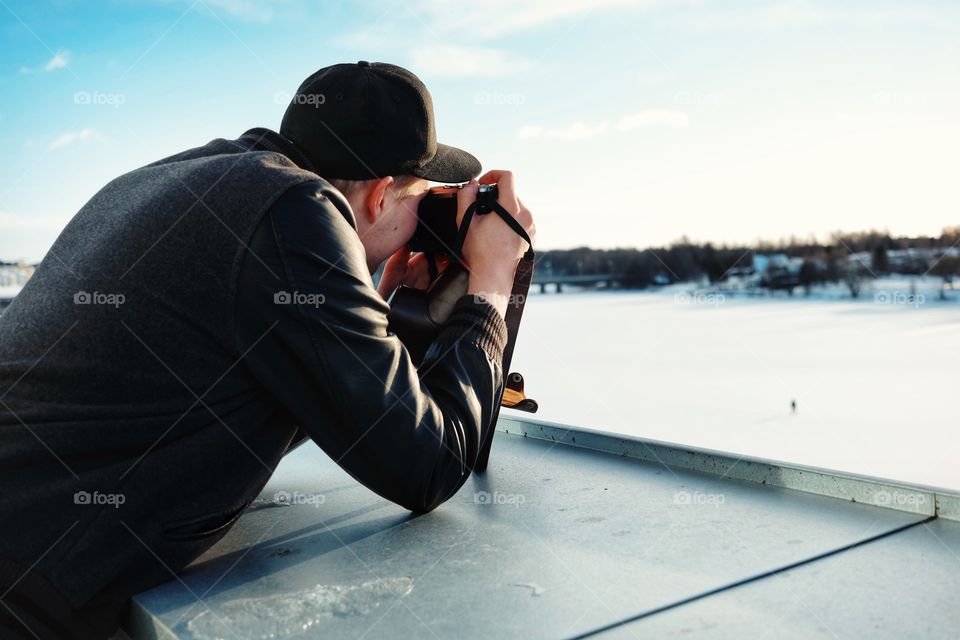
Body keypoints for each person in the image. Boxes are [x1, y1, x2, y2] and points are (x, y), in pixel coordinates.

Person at [0, 61, 535, 639]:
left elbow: (291, 377)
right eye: (420, 207)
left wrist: (390, 318)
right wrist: (491, 287)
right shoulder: (294, 209)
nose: (419, 230)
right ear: (380, 195)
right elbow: (429, 467)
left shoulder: (175, 180)